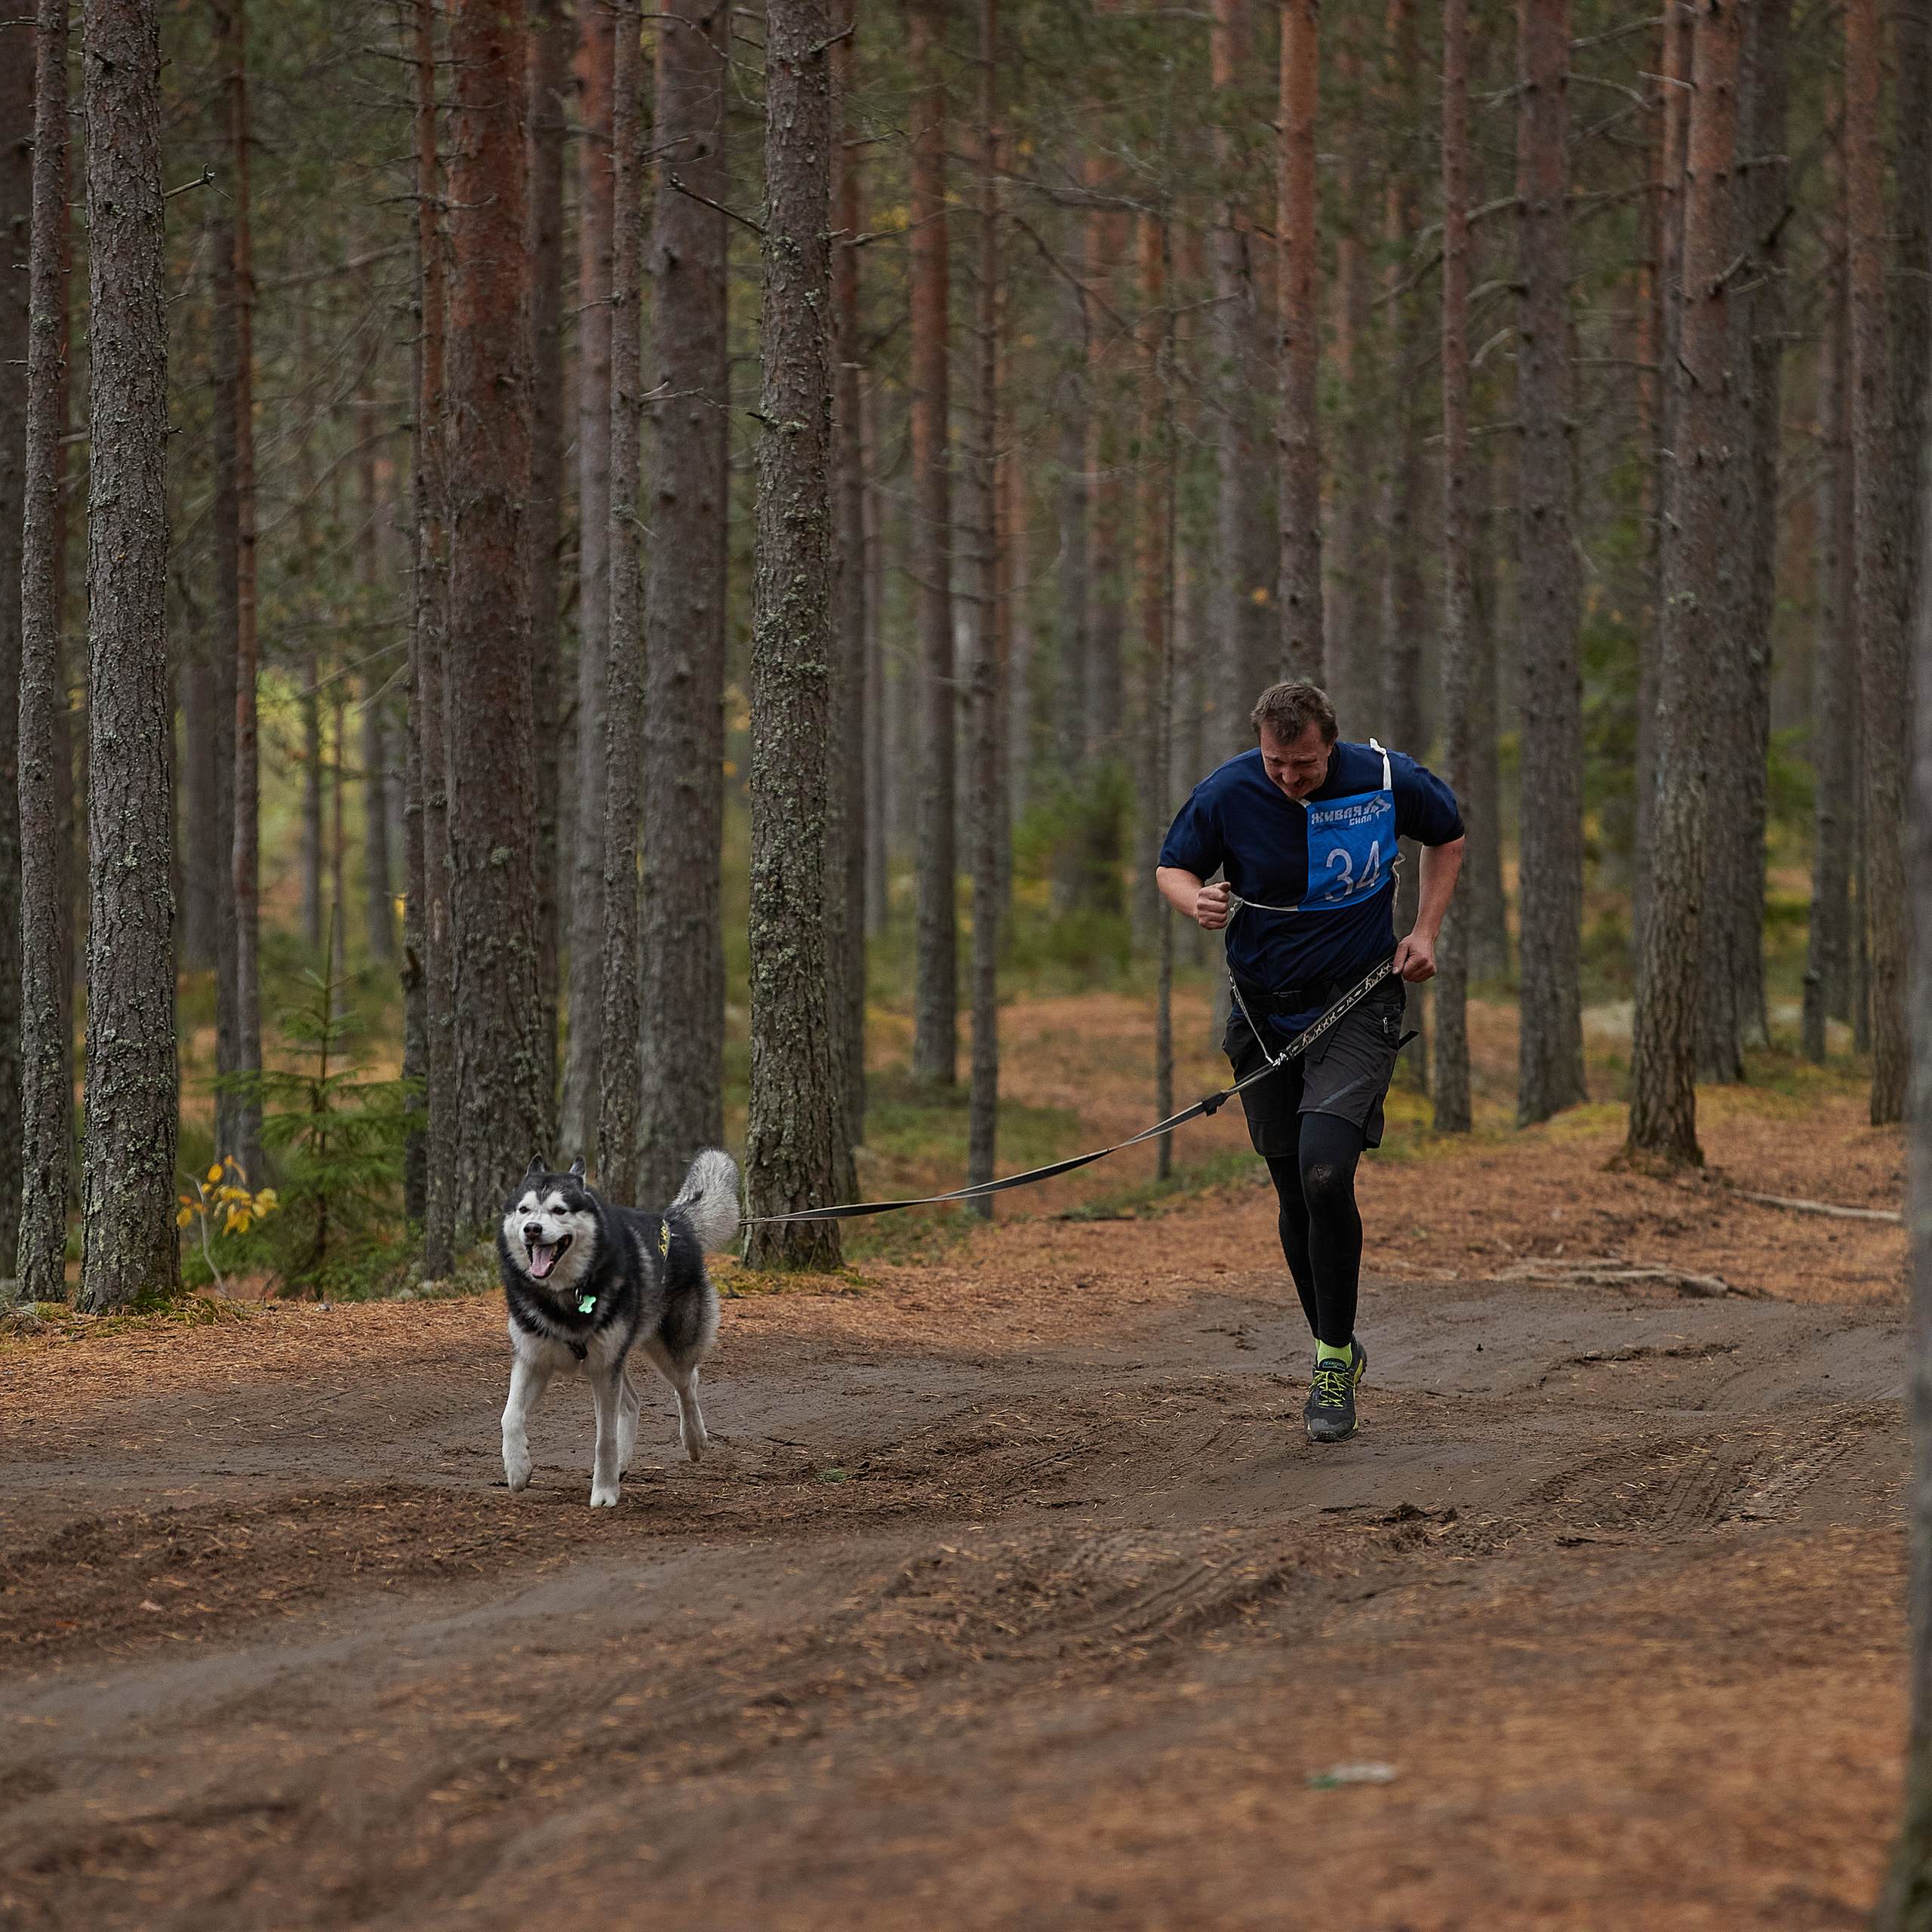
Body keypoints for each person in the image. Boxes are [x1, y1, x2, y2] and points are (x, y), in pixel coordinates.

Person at [1155, 681, 1464, 1443]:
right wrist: (1191, 899)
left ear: (1332, 742)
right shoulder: (1228, 791)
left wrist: (1423, 932)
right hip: (1262, 1015)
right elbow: (1171, 865)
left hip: (1359, 998)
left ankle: (1329, 1364)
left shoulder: (1387, 778)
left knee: (1327, 1170)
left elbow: (1447, 833)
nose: (1287, 777)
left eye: (1301, 762)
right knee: (1296, 1190)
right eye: (1275, 763)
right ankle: (1337, 1341)